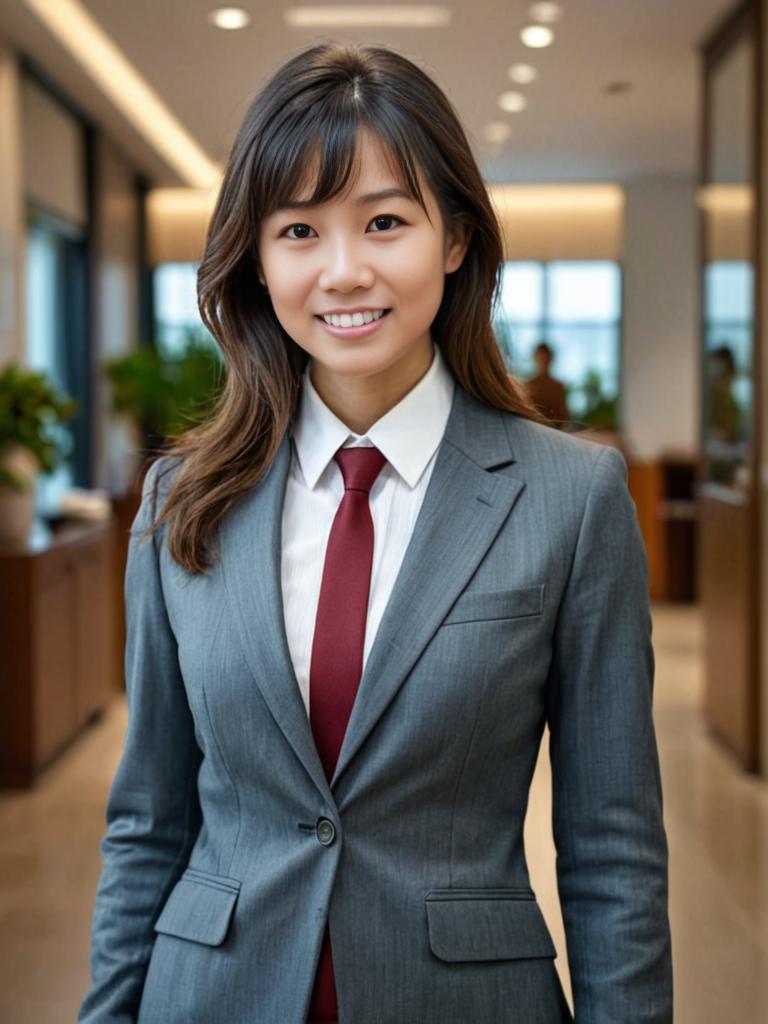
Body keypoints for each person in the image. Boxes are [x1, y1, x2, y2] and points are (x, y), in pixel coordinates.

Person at [77, 43, 672, 1024]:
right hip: (211, 995)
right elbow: (149, 820)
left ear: (454, 238)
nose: (344, 271)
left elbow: (613, 843)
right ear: (258, 261)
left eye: (385, 221)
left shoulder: (573, 498)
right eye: (299, 230)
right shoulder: (183, 500)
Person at [525, 341, 570, 429]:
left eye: (545, 358)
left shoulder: (558, 387)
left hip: (554, 432)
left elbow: (564, 417)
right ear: (535, 358)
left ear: (550, 359)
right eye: (541, 358)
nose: (543, 361)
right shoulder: (528, 385)